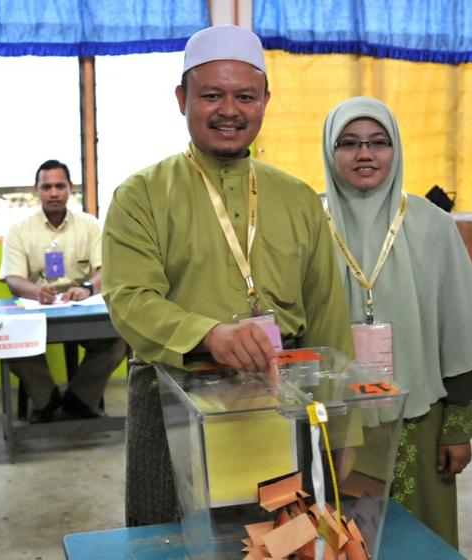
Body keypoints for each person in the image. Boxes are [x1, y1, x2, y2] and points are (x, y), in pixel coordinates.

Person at [102, 25, 354, 527]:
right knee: (174, 542)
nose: (229, 110)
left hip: (287, 398)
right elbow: (129, 299)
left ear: (265, 100)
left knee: (284, 539)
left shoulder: (298, 197)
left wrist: (344, 431)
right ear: (182, 99)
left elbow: (327, 313)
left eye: (245, 96)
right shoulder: (140, 195)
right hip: (175, 399)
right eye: (211, 95)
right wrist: (210, 334)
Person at [321, 97, 472, 548]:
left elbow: (458, 331)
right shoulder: (310, 225)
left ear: (395, 149)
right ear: (329, 150)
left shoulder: (431, 225)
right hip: (335, 426)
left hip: (420, 418)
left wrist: (457, 429)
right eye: (350, 143)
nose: (366, 154)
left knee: (421, 542)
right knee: (342, 539)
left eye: (379, 143)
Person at [0, 159, 126, 423]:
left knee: (118, 338)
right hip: (37, 310)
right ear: (36, 190)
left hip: (82, 307)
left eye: (59, 186)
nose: (53, 193)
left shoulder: (90, 225)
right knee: (7, 341)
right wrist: (37, 292)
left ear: (70, 188)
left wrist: (88, 288)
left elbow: (108, 269)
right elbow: (13, 279)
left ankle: (80, 398)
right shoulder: (19, 230)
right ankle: (46, 399)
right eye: (47, 187)